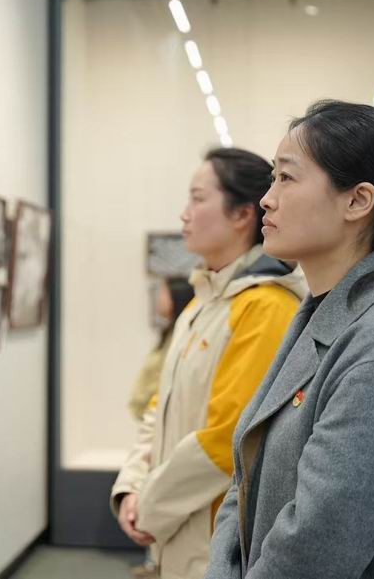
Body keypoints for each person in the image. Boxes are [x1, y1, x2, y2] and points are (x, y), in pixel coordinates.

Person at [204, 100, 374, 579]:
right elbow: (246, 478)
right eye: (272, 178)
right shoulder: (321, 315)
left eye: (286, 178)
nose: (267, 199)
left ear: (357, 201)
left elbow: (317, 545)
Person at [111, 148, 307, 579]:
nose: (184, 214)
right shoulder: (201, 304)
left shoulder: (265, 307)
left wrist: (150, 507)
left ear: (242, 214)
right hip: (176, 530)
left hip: (216, 540)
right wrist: (131, 487)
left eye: (198, 199)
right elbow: (158, 408)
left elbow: (227, 438)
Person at [128, 277, 195, 421]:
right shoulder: (168, 334)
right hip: (150, 415)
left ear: (176, 297)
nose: (158, 299)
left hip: (158, 415)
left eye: (164, 293)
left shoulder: (181, 337)